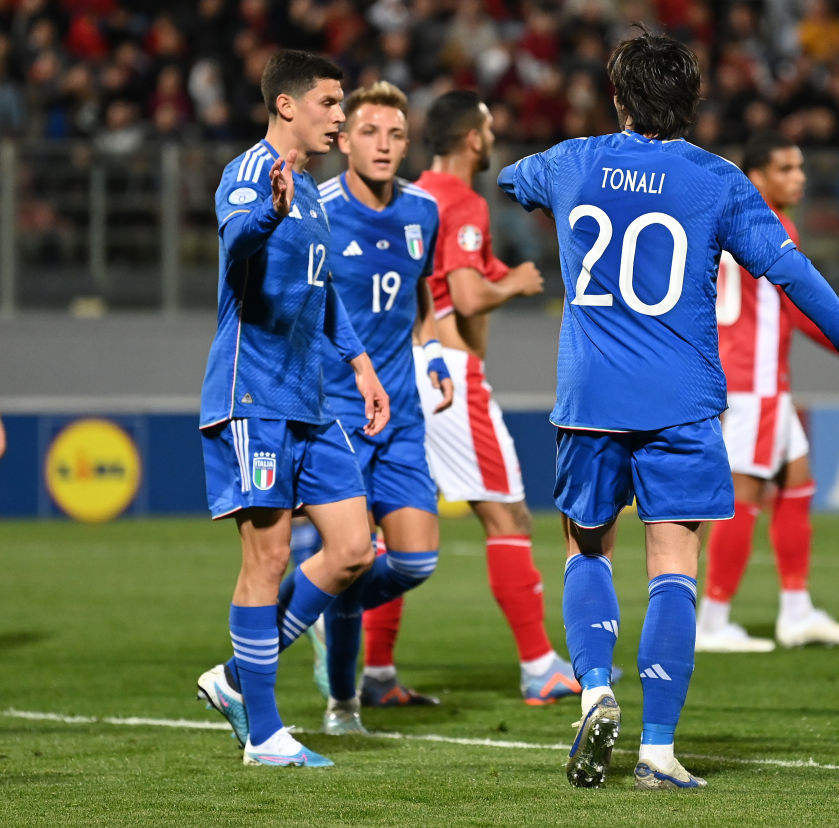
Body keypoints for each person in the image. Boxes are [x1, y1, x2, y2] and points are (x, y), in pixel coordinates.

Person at [498, 28, 839, 790]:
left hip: (591, 397)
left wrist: (565, 198)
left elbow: (513, 179)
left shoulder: (573, 161)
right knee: (674, 565)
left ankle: (595, 689)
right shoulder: (717, 181)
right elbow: (790, 270)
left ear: (618, 97)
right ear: (692, 103)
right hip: (681, 401)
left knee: (586, 549)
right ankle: (658, 750)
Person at [195, 49, 390, 768]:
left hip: (311, 399)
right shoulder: (251, 173)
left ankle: (235, 676)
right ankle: (266, 735)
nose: (340, 116)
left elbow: (323, 289)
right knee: (269, 555)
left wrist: (361, 366)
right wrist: (269, 214)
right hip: (253, 396)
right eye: (330, 103)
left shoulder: (308, 189)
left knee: (353, 549)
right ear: (286, 105)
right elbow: (236, 240)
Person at [372, 88, 584, 706]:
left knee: (395, 529)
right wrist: (514, 281)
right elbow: (464, 296)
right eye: (489, 129)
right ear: (472, 138)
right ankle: (539, 668)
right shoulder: (461, 200)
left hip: (399, 369)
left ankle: (376, 675)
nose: (493, 139)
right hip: (450, 377)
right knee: (507, 517)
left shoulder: (408, 196)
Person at [286, 80, 454, 733]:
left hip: (402, 413)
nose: (383, 145)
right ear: (345, 141)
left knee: (415, 560)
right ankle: (341, 703)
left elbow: (422, 293)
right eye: (369, 133)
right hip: (336, 412)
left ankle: (332, 599)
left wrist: (432, 352)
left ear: (408, 145)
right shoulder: (318, 211)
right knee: (349, 552)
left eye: (396, 135)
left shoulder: (423, 211)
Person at [695, 131, 839, 653]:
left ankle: (796, 610)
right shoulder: (769, 225)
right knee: (744, 496)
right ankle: (712, 620)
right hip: (753, 382)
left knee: (797, 483)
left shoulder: (720, 218)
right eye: (786, 168)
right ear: (756, 176)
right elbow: (800, 304)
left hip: (757, 383)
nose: (799, 177)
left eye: (800, 167)